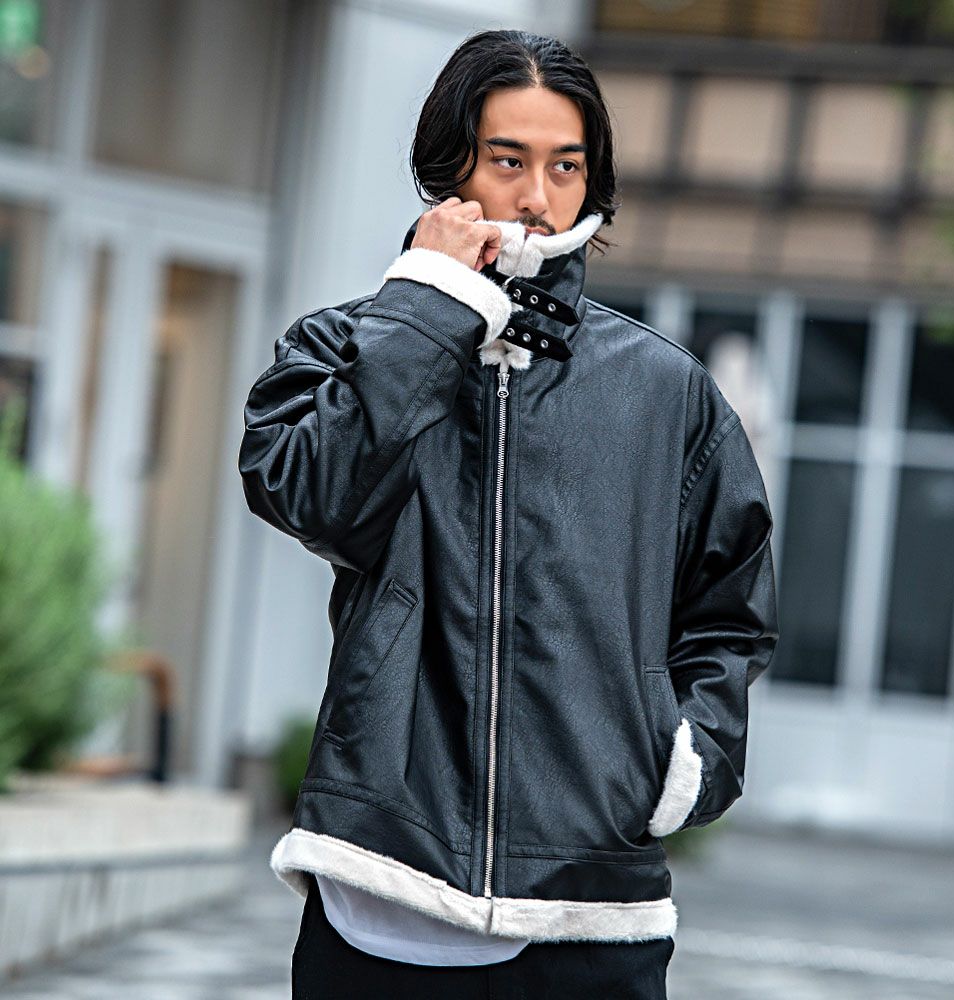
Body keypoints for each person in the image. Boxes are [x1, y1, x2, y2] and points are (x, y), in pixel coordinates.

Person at [238, 27, 778, 999]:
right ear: (451, 168)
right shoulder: (351, 346)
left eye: (565, 165)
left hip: (591, 904)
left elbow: (729, 612)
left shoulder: (665, 392)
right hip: (379, 886)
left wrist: (684, 758)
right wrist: (431, 305)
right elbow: (313, 496)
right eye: (508, 160)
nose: (537, 196)